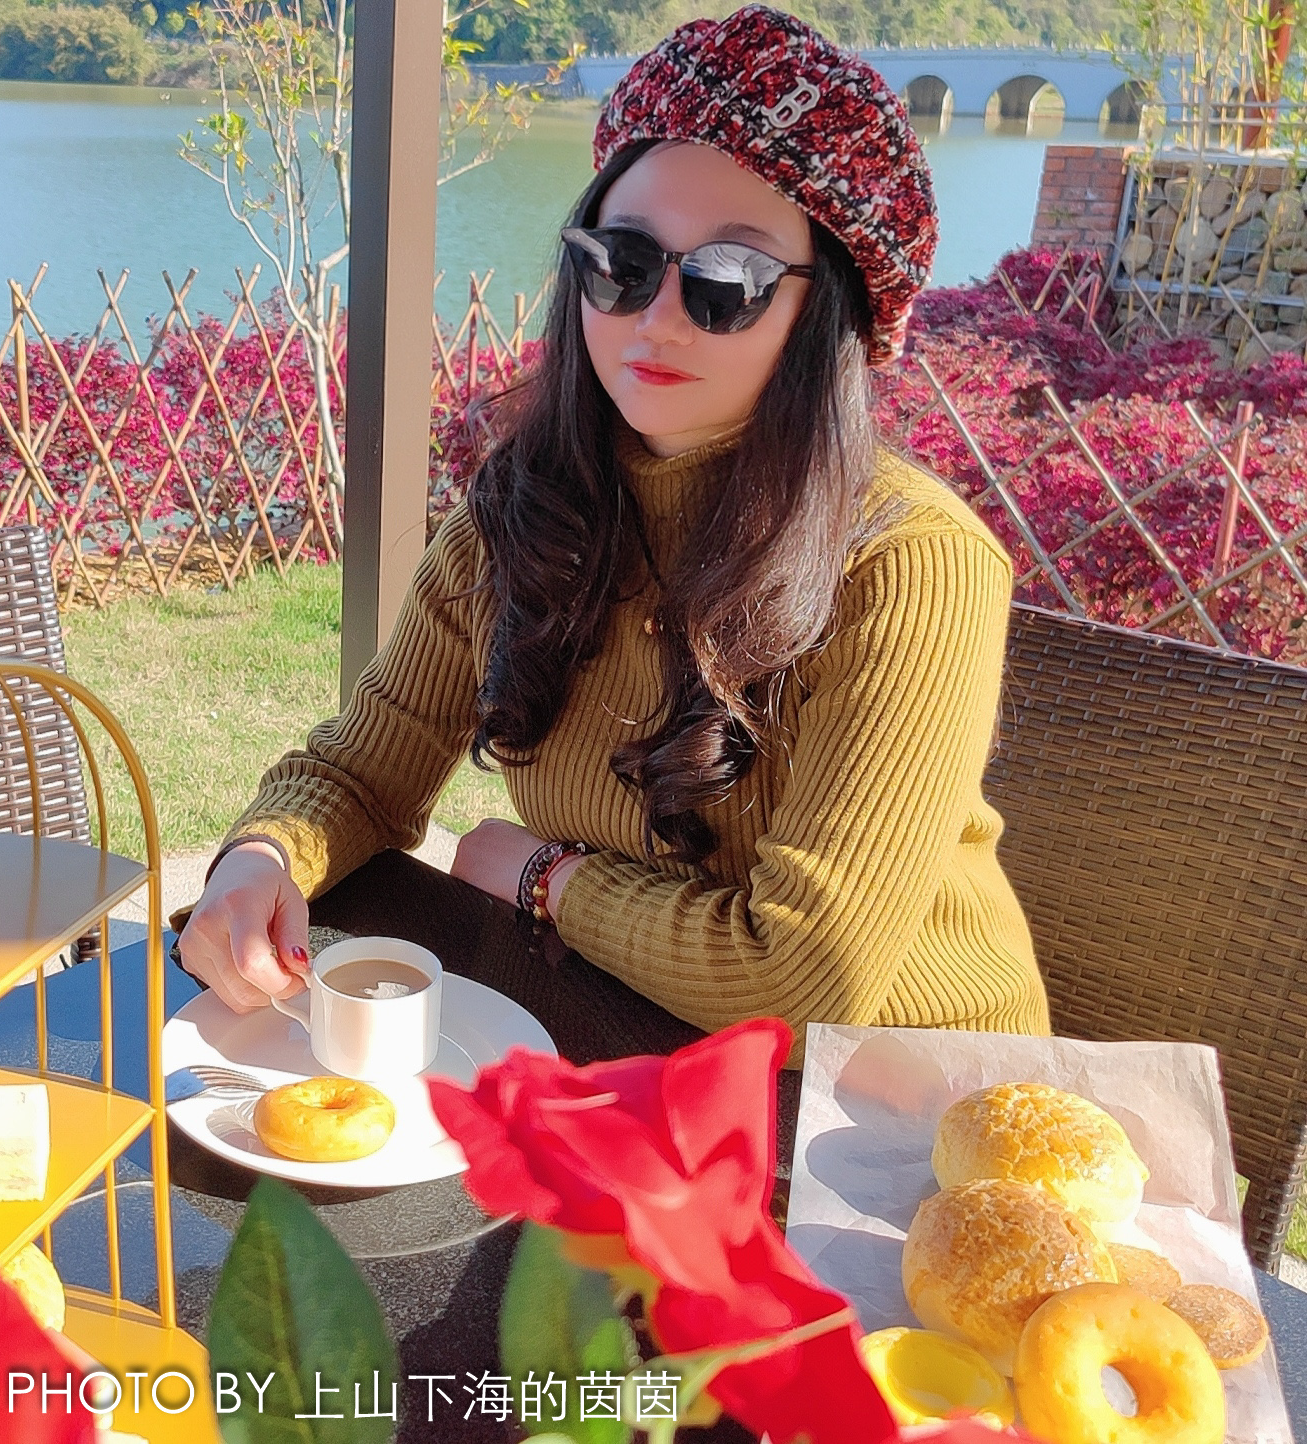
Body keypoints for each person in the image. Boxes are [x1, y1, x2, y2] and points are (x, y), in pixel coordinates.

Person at [175, 4, 1050, 1054]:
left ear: (827, 315)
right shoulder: (527, 509)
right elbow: (364, 770)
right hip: (620, 1025)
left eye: (728, 282)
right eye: (623, 262)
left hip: (888, 1091)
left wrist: (546, 877)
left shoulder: (909, 563)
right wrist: (261, 859)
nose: (657, 317)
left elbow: (805, 972)